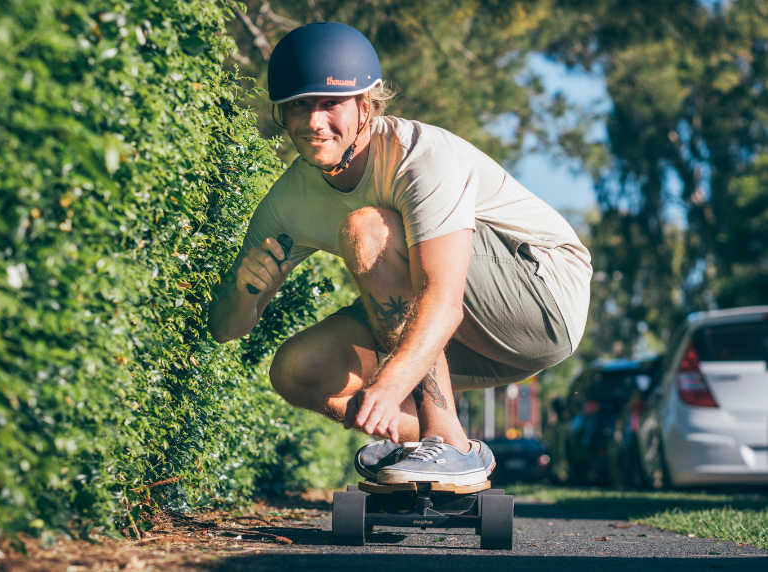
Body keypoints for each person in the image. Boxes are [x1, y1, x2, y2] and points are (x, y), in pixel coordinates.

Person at [207, 22, 591, 487]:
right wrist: (245, 296)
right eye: (299, 106)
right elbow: (225, 329)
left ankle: (442, 440)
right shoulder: (288, 203)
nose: (313, 122)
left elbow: (444, 300)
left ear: (366, 106)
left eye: (331, 103)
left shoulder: (419, 157)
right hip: (479, 340)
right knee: (299, 370)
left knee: (367, 229)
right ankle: (448, 450)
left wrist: (389, 388)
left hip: (543, 295)